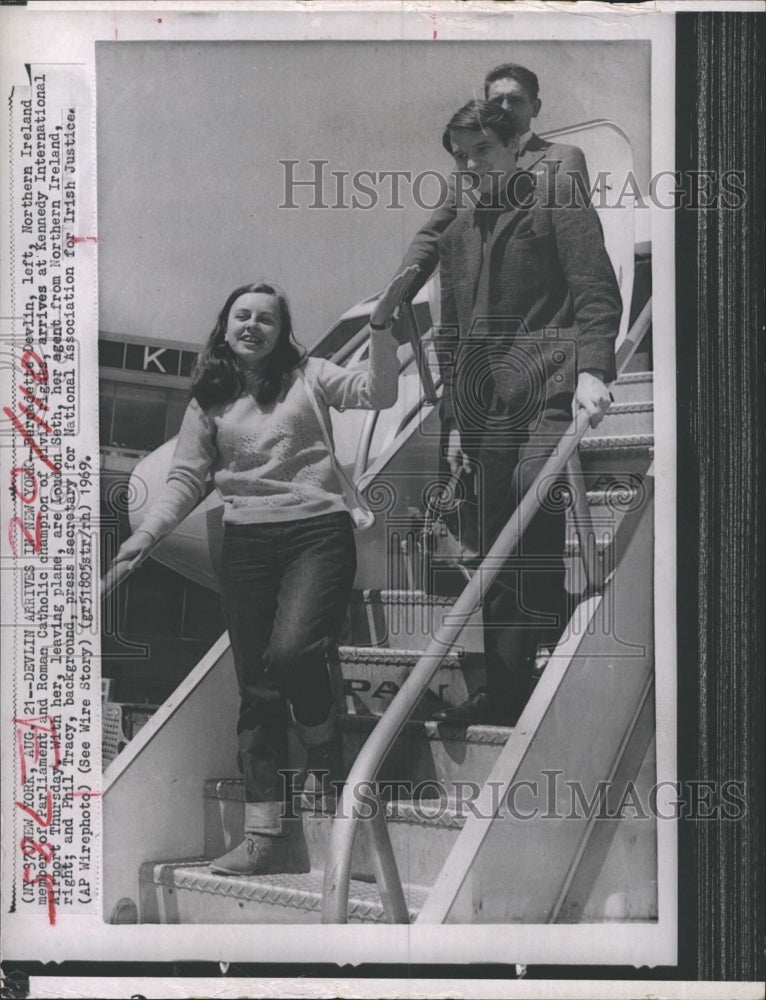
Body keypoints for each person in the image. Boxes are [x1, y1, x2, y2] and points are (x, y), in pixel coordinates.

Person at [111, 270, 415, 875]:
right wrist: (145, 535)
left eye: (266, 318)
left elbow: (378, 392)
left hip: (317, 531)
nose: (253, 325)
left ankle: (324, 749)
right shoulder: (210, 400)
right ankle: (262, 836)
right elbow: (186, 478)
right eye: (243, 316)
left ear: (282, 331)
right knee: (257, 688)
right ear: (226, 327)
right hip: (246, 540)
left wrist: (381, 328)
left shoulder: (311, 374)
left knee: (295, 651)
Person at [429, 100, 621, 727]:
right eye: (460, 156)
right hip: (487, 405)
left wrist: (593, 368)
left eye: (482, 150)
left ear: (515, 146)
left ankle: (550, 620)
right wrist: (453, 419)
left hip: (551, 382)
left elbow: (596, 289)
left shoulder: (555, 198)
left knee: (528, 494)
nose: (470, 165)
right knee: (494, 536)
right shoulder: (457, 233)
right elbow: (450, 335)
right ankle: (507, 686)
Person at [396, 61, 592, 299]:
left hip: (541, 303)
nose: (505, 108)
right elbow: (432, 236)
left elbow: (577, 238)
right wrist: (397, 293)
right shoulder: (463, 176)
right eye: (497, 101)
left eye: (515, 100)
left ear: (535, 107)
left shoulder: (561, 157)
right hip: (478, 303)